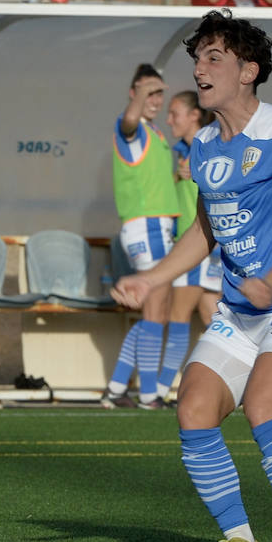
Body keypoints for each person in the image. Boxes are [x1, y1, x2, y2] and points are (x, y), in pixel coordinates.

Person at [113, 10, 272, 542]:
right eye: (197, 59)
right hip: (238, 310)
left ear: (248, 71)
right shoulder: (202, 145)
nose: (200, 70)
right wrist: (152, 277)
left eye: (214, 58)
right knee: (194, 410)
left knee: (263, 406)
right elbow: (204, 230)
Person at [103, 64, 179, 409]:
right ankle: (148, 393)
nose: (155, 98)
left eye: (159, 92)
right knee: (156, 308)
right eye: (148, 91)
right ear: (133, 93)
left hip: (157, 226)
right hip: (145, 227)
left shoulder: (158, 134)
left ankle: (117, 387)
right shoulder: (130, 129)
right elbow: (128, 122)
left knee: (157, 310)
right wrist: (143, 90)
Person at [160, 90, 221, 401]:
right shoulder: (180, 151)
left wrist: (197, 172)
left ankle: (158, 391)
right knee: (215, 317)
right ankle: (239, 381)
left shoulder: (208, 144)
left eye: (175, 113)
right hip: (194, 244)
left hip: (199, 245)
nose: (169, 120)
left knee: (177, 315)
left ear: (194, 115)